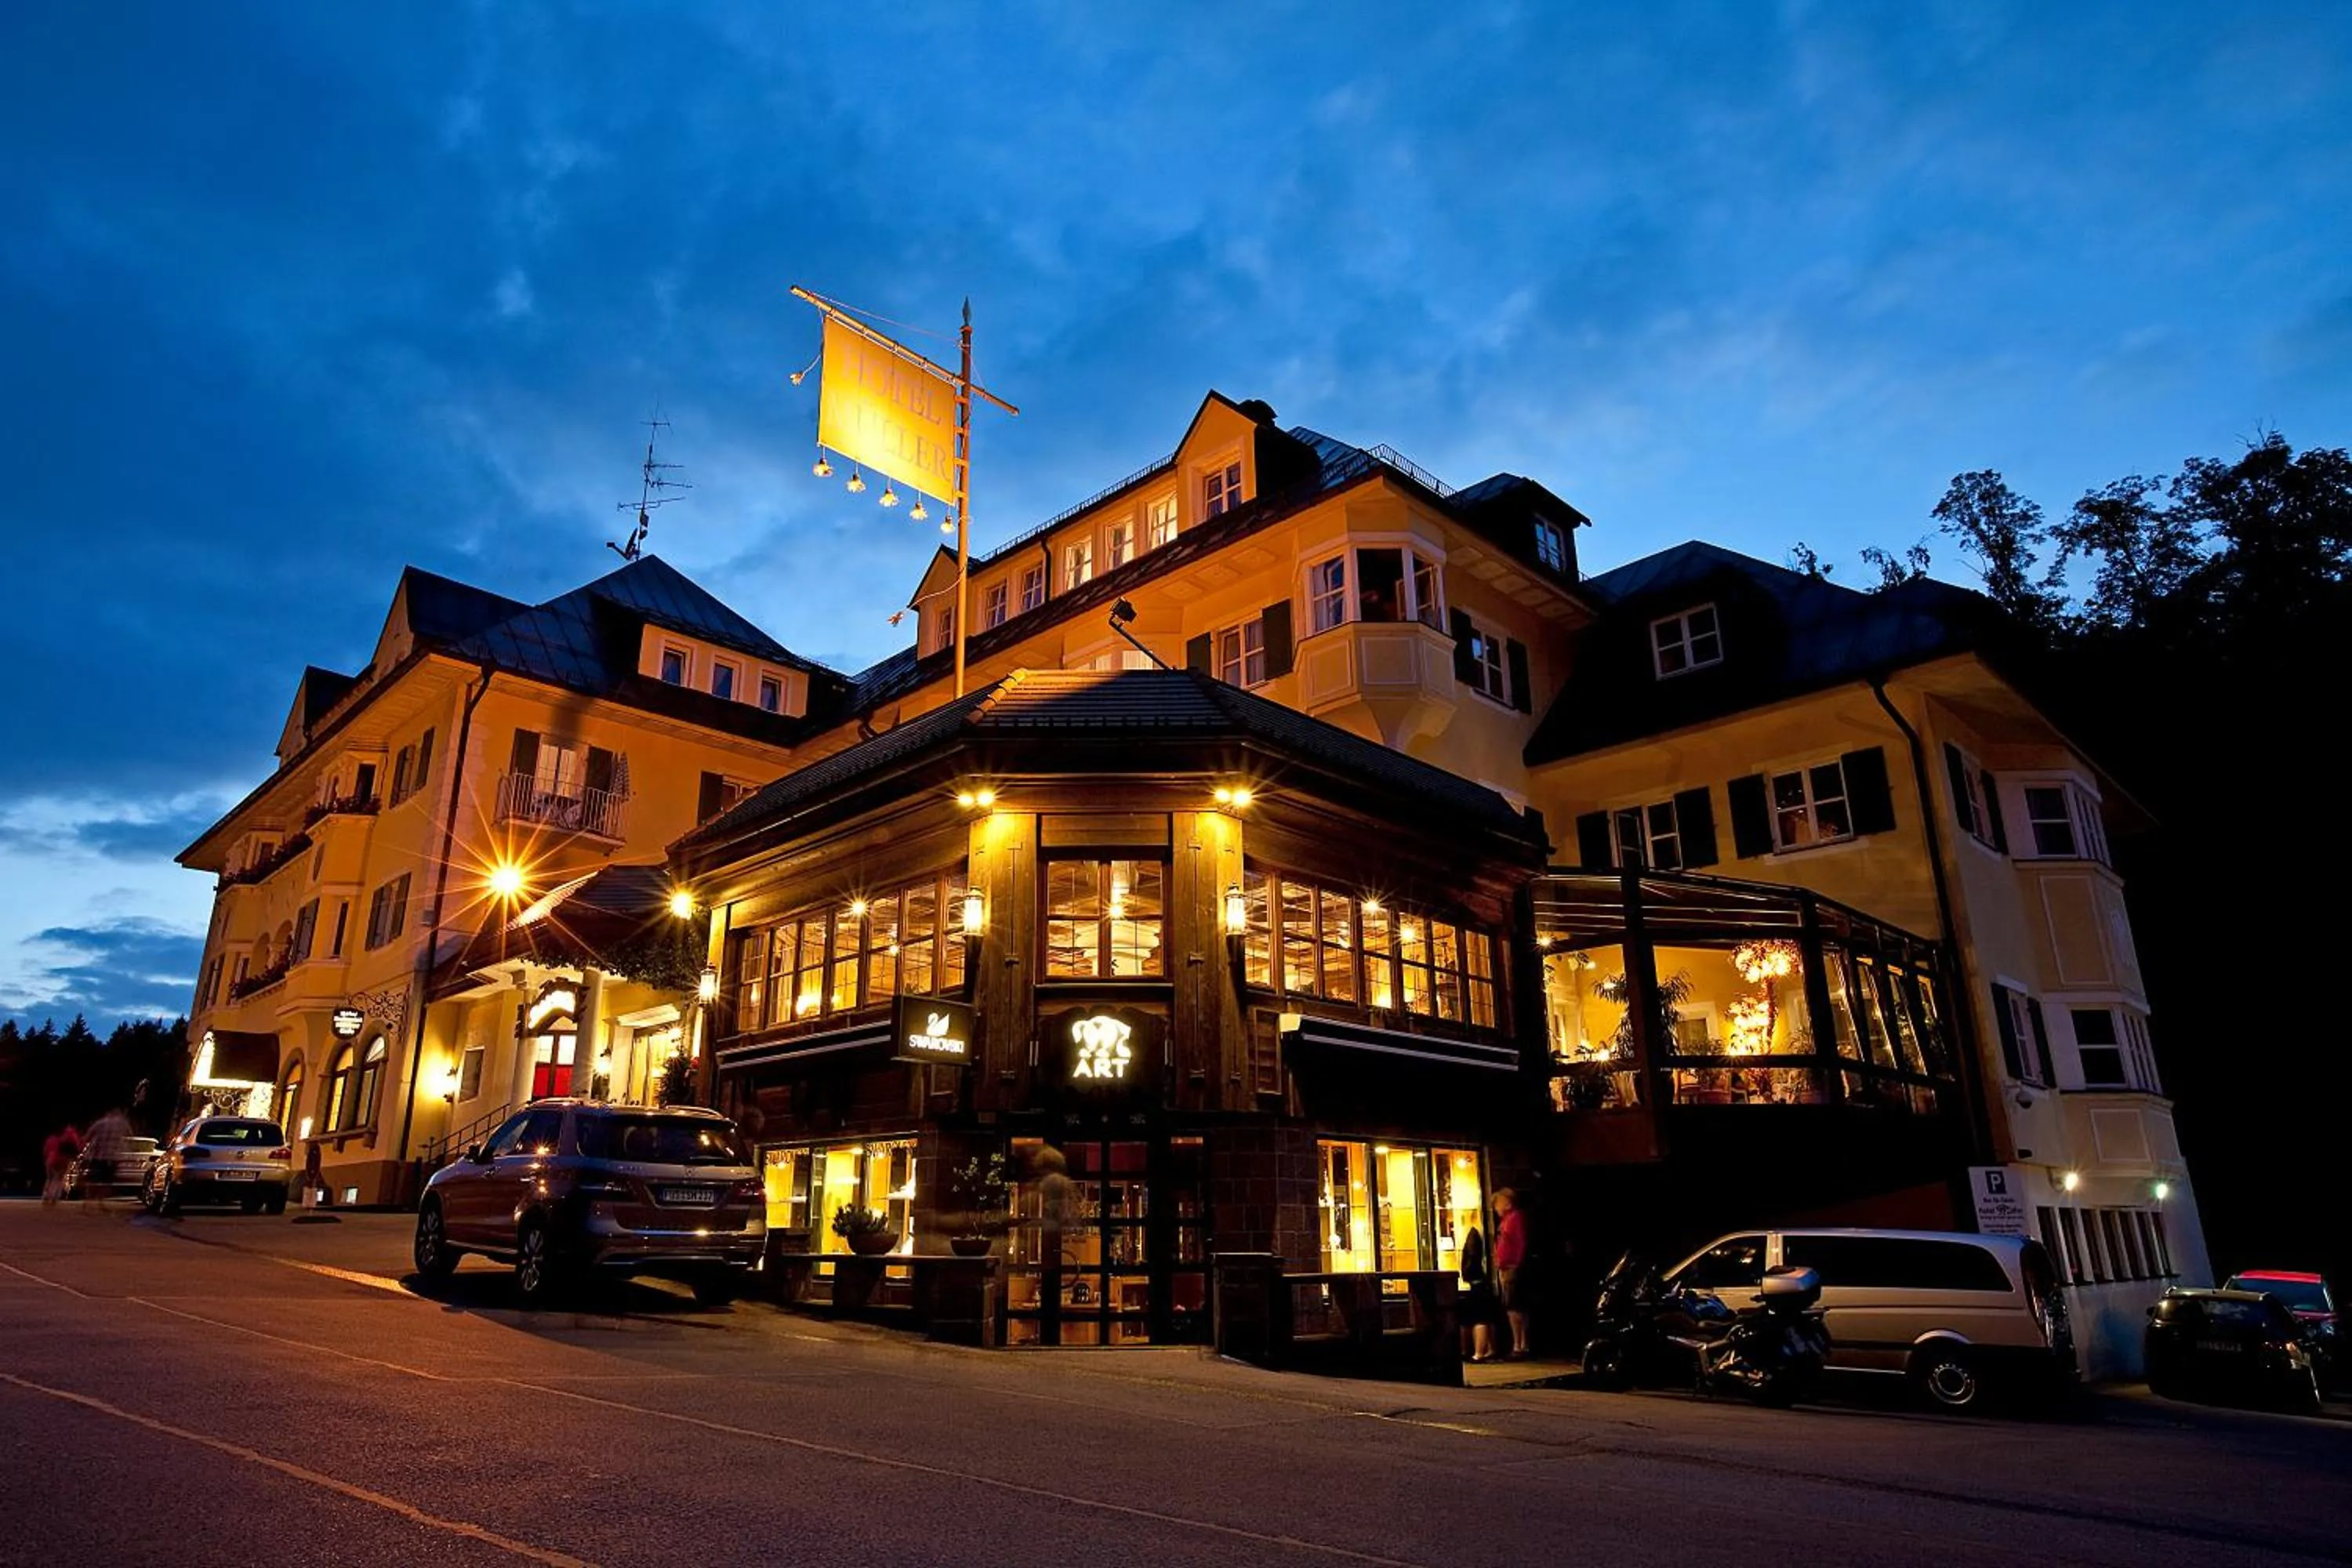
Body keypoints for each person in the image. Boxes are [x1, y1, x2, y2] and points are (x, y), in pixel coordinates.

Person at [1493, 1186, 1531, 1358]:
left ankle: (1519, 1345)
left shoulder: (1514, 1219)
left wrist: (1515, 1263)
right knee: (1515, 1307)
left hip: (1511, 1267)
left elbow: (1520, 1242)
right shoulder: (1508, 1220)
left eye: (1498, 1204)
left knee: (1514, 1307)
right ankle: (1521, 1344)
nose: (1496, 1208)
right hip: (1507, 1266)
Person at [1458, 1223, 1499, 1363]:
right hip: (1483, 1287)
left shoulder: (1470, 1260)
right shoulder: (1482, 1257)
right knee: (1487, 1319)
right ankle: (1489, 1349)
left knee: (1480, 1320)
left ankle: (1479, 1353)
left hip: (1477, 1289)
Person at [81, 1107, 132, 1211]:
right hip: (112, 1157)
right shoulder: (122, 1124)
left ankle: (87, 1203)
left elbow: (87, 1137)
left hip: (98, 1156)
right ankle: (101, 1202)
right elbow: (129, 1135)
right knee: (107, 1181)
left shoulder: (100, 1123)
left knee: (94, 1180)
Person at [42, 1124, 82, 1206]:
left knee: (50, 1179)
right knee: (59, 1179)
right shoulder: (68, 1138)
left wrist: (46, 1158)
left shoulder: (51, 1139)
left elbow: (45, 1150)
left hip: (50, 1159)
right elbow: (77, 1148)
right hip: (62, 1159)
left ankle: (46, 1195)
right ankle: (54, 1196)